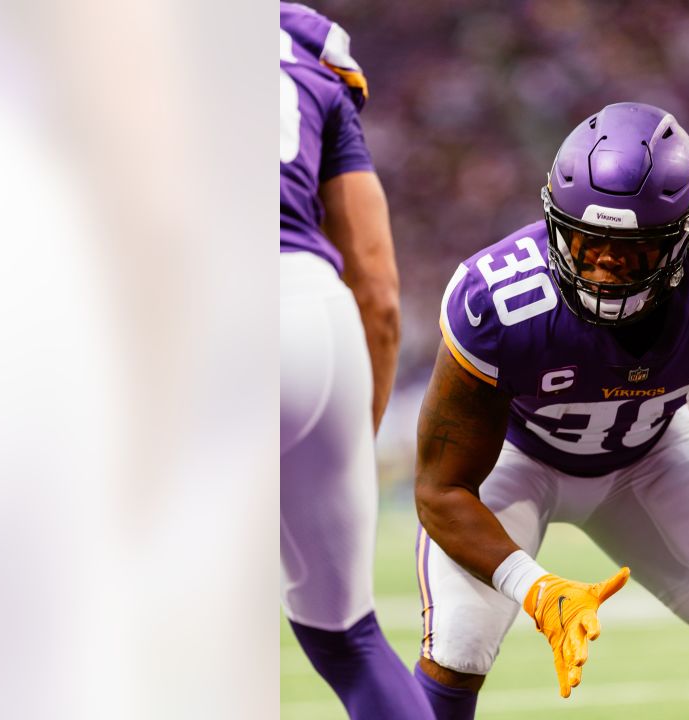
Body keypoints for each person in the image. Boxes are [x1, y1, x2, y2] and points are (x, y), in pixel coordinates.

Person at [411, 102, 689, 719]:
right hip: (515, 462)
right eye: (587, 237)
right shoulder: (500, 301)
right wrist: (538, 590)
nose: (603, 263)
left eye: (633, 248)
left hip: (651, 454)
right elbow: (442, 490)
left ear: (684, 236)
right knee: (458, 648)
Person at [279, 4, 433, 718]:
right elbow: (377, 287)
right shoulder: (309, 52)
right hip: (317, 315)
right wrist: (351, 434)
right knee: (349, 637)